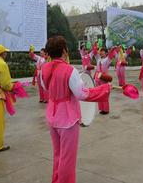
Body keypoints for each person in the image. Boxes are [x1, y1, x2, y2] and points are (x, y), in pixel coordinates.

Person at [40, 36, 111, 183]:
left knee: (58, 154)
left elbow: (46, 88)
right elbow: (82, 93)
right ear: (64, 50)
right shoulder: (69, 70)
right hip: (67, 119)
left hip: (52, 117)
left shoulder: (44, 69)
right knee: (67, 158)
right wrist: (104, 89)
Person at [93, 45, 116, 114]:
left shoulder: (107, 60)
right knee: (99, 93)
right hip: (98, 77)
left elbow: (111, 55)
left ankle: (106, 109)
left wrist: (112, 50)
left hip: (104, 77)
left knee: (104, 94)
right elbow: (94, 52)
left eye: (103, 51)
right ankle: (101, 109)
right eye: (101, 51)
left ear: (106, 53)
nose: (101, 52)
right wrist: (95, 45)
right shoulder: (98, 59)